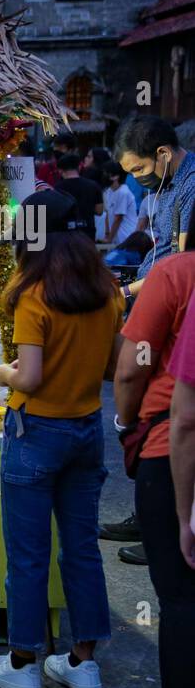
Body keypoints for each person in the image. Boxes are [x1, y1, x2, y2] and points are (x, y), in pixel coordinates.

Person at [0, 190, 123, 688]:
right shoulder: (109, 293)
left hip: (35, 431)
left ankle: (22, 664)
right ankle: (83, 664)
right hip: (86, 431)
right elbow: (113, 366)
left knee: (28, 554)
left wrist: (2, 372)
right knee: (82, 549)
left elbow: (31, 378)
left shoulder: (34, 295)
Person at [124, 304, 195, 688]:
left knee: (182, 599)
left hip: (168, 452)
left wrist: (185, 513)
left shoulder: (172, 278)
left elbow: (185, 420)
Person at [114, 248, 195, 584]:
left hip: (168, 443)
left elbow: (135, 366)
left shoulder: (174, 273)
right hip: (172, 432)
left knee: (179, 597)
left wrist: (127, 422)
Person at [115, 115, 195, 298]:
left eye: (139, 169)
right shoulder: (168, 182)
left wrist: (124, 292)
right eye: (130, 173)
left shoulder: (191, 186)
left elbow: (182, 267)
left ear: (164, 154)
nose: (136, 178)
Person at [54, 153, 104, 242]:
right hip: (87, 233)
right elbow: (99, 211)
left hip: (65, 235)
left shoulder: (57, 188)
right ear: (79, 167)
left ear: (60, 170)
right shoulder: (93, 185)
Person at [101, 160, 139, 247]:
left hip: (126, 236)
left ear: (116, 176)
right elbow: (107, 213)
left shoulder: (123, 192)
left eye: (106, 173)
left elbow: (118, 218)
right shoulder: (108, 191)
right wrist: (107, 234)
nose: (104, 176)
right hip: (115, 237)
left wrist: (109, 239)